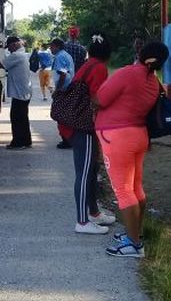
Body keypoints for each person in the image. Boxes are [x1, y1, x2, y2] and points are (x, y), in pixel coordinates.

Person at [94, 41, 170, 258]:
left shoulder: (128, 73)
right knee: (135, 188)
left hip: (117, 138)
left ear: (141, 54)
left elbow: (100, 99)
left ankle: (134, 244)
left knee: (123, 191)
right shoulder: (153, 82)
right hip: (138, 135)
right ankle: (136, 233)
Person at [62, 33, 115, 235]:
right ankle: (82, 222)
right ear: (108, 54)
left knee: (91, 170)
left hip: (77, 122)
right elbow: (97, 98)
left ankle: (93, 213)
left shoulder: (88, 64)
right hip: (83, 125)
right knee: (84, 173)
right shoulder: (99, 68)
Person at [0, 36, 32, 149]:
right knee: (23, 117)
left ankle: (18, 142)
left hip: (19, 92)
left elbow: (2, 64)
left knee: (16, 118)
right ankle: (26, 140)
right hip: (24, 91)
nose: (9, 50)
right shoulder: (22, 55)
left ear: (15, 45)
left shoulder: (17, 55)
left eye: (10, 47)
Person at [49, 37, 76, 149]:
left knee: (60, 115)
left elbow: (63, 74)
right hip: (69, 88)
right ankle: (68, 138)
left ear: (57, 46)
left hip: (63, 89)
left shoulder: (60, 57)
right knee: (66, 115)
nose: (50, 48)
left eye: (52, 46)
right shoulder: (67, 55)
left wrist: (57, 90)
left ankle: (66, 139)